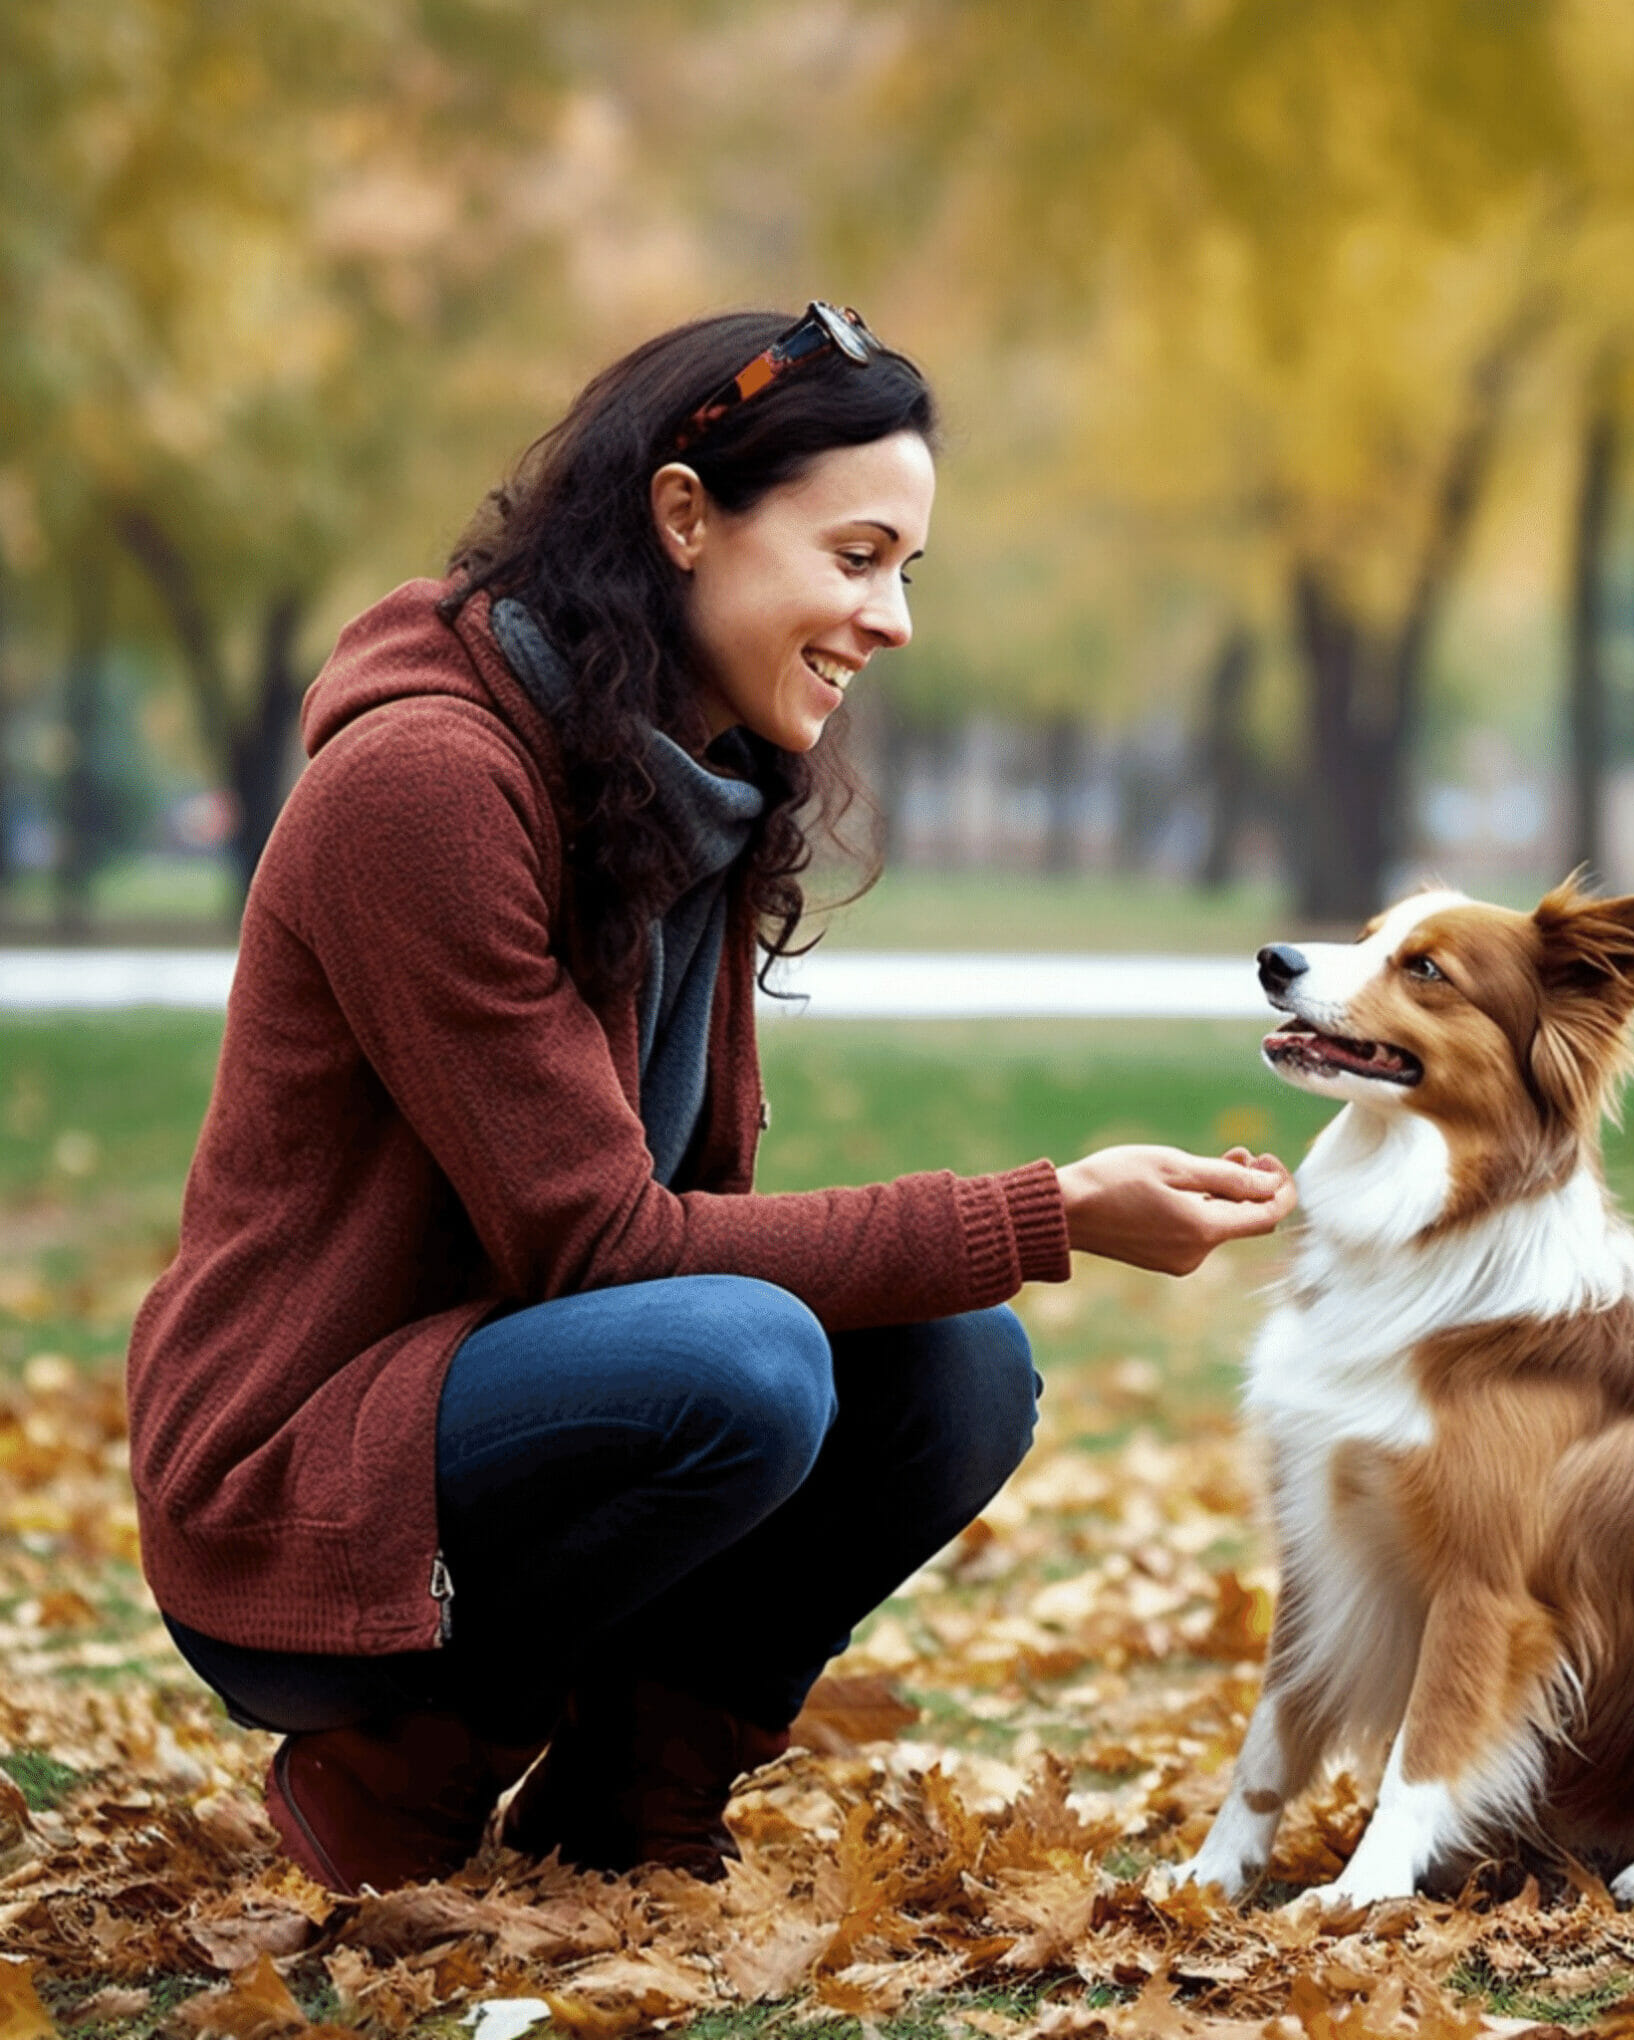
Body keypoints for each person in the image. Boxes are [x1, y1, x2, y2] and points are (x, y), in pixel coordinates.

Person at [124, 303, 1296, 1896]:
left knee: (959, 1362)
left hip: (503, 1410)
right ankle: (418, 1751)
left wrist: (1018, 1241)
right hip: (300, 1497)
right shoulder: (426, 785)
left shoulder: (683, 778)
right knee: (743, 1361)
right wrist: (1049, 1209)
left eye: (907, 572)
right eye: (856, 556)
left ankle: (631, 1795)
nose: (890, 620)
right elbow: (601, 1247)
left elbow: (676, 1230)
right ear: (685, 516)